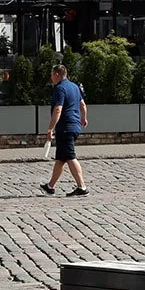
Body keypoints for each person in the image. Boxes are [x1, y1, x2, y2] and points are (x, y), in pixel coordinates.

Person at [40, 60, 89, 196]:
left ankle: (82, 187)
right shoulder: (74, 87)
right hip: (74, 125)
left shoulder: (59, 88)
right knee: (61, 158)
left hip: (65, 127)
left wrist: (50, 128)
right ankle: (50, 186)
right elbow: (83, 105)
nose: (51, 77)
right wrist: (83, 118)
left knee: (70, 156)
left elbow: (58, 109)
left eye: (51, 74)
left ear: (56, 74)